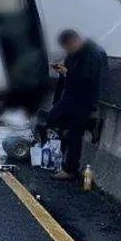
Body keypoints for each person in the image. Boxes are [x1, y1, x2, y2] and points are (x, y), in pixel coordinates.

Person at [46, 29, 107, 180]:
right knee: (51, 119)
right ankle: (90, 124)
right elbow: (71, 72)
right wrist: (63, 71)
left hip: (84, 99)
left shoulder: (93, 53)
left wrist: (68, 72)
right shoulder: (75, 53)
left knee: (74, 134)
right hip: (70, 96)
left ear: (74, 41)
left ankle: (70, 170)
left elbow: (88, 78)